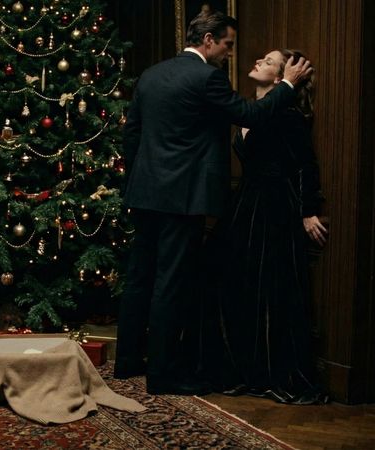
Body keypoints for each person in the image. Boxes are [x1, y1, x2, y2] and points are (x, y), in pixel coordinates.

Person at [114, 10, 314, 396]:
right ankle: (162, 374)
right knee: (171, 282)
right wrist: (288, 84)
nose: (229, 53)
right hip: (184, 197)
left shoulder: (151, 74)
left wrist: (136, 185)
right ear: (208, 40)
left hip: (145, 193)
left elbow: (132, 135)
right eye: (227, 44)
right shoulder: (208, 77)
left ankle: (127, 362)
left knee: (139, 277)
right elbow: (250, 114)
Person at [202, 49, 328, 404]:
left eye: (269, 61)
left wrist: (308, 211)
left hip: (273, 208)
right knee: (230, 281)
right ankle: (238, 367)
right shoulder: (249, 109)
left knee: (268, 289)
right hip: (244, 204)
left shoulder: (287, 115)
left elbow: (305, 164)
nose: (258, 61)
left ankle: (266, 372)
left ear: (280, 77)